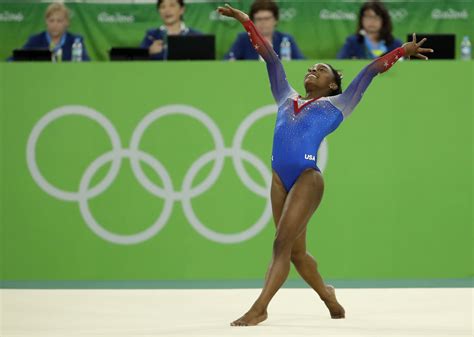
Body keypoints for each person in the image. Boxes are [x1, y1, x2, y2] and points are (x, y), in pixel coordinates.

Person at [217, 3, 433, 327]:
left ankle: (260, 307)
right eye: (311, 67)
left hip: (307, 179)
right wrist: (246, 20)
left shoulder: (339, 104)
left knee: (280, 243)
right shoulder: (284, 95)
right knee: (296, 253)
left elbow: (371, 70)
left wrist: (402, 49)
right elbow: (270, 56)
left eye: (322, 69)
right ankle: (328, 296)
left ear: (333, 84)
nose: (313, 70)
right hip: (279, 178)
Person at [224, 0, 304, 60]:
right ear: (252, 21)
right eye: (259, 19)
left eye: (267, 19)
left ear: (275, 20)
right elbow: (228, 62)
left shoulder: (286, 39)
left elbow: (301, 63)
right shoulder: (243, 39)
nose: (263, 23)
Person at [12, 3, 90, 61]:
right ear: (46, 21)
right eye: (51, 20)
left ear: (67, 22)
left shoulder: (76, 41)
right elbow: (14, 60)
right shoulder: (35, 40)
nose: (54, 25)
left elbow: (86, 63)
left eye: (59, 21)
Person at [337, 1, 402, 59]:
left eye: (376, 17)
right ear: (361, 19)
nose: (372, 21)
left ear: (384, 20)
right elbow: (340, 63)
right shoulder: (352, 42)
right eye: (368, 17)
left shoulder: (395, 44)